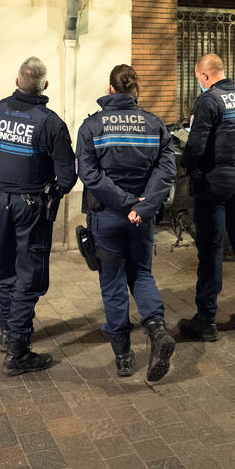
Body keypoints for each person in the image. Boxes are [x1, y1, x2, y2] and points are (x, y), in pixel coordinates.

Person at [0, 56, 76, 376]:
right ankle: (17, 350)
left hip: (0, 202)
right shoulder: (51, 123)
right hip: (32, 207)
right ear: (45, 86)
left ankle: (7, 330)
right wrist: (50, 192)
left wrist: (0, 182)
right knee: (29, 274)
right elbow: (67, 176)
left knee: (5, 266)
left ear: (17, 82)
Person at [76, 64, 177, 382]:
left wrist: (123, 204)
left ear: (110, 89)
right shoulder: (154, 124)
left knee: (113, 283)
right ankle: (157, 331)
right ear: (135, 90)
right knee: (142, 274)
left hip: (107, 216)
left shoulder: (91, 126)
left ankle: (123, 356)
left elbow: (89, 174)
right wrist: (142, 206)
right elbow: (167, 170)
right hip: (141, 218)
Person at [178, 53, 235, 341]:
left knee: (211, 249)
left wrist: (186, 165)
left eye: (198, 78)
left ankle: (206, 319)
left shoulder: (208, 101)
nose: (199, 82)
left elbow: (196, 146)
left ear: (204, 75)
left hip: (216, 181)